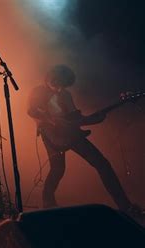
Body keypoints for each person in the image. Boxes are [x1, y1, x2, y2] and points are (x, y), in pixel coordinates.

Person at [28, 64, 140, 214]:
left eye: (63, 85)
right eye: (58, 83)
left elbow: (76, 117)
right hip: (51, 135)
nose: (60, 88)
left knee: (102, 164)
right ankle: (48, 203)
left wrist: (94, 119)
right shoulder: (38, 91)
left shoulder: (65, 94)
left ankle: (125, 206)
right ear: (50, 77)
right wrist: (52, 121)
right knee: (58, 169)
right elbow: (32, 111)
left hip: (72, 134)